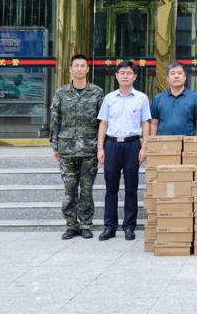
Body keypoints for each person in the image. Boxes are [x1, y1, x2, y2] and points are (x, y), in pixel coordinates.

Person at [50, 53, 104, 240]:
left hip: (89, 148)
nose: (79, 69)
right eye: (76, 66)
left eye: (83, 66)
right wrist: (55, 146)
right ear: (71, 69)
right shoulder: (61, 93)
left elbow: (102, 122)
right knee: (70, 189)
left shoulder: (97, 92)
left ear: (88, 69)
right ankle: (71, 225)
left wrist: (101, 147)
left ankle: (86, 224)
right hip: (66, 148)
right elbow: (55, 120)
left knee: (87, 190)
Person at [96, 60, 151, 241]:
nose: (125, 76)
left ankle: (129, 226)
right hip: (112, 145)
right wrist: (100, 148)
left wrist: (144, 147)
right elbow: (103, 123)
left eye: (129, 73)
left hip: (132, 145)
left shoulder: (142, 98)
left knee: (131, 188)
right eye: (122, 73)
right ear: (116, 76)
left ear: (135, 77)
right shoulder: (109, 98)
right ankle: (110, 226)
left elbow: (146, 123)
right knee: (110, 188)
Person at [150, 62, 197, 136]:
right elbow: (154, 123)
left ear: (185, 77)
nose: (176, 76)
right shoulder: (158, 98)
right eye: (172, 73)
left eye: (179, 73)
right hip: (163, 141)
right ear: (167, 79)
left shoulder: (195, 97)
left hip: (187, 141)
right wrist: (152, 141)